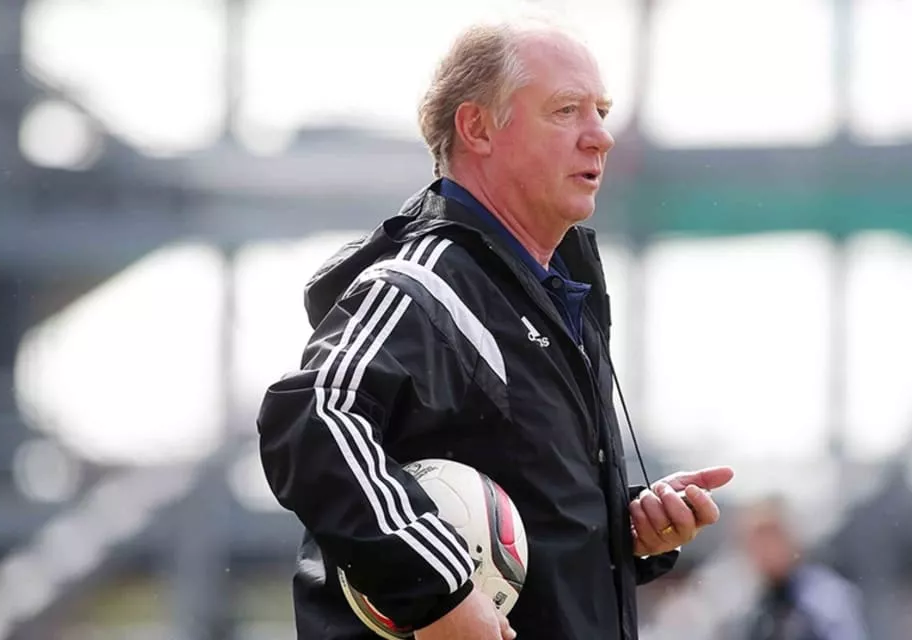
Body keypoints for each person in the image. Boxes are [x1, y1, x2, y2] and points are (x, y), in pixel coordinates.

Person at [255, 20, 733, 640]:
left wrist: (623, 526)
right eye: (566, 110)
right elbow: (312, 418)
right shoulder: (425, 284)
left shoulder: (553, 295)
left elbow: (524, 502)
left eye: (602, 111)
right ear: (477, 128)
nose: (601, 136)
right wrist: (437, 594)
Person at [729, 497, 867, 640]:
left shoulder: (823, 599)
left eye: (771, 537)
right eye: (756, 541)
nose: (764, 550)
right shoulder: (747, 610)